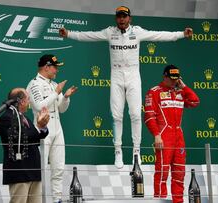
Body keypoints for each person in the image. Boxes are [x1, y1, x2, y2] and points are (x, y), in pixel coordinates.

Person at [59, 6, 193, 168]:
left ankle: (136, 152)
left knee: (136, 114)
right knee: (117, 116)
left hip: (133, 76)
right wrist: (69, 34)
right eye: (119, 16)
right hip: (116, 76)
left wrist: (181, 34)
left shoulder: (137, 32)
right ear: (116, 18)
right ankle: (118, 150)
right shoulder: (110, 32)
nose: (121, 19)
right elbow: (89, 35)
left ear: (130, 18)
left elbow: (160, 35)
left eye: (124, 16)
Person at [144, 65, 199, 203]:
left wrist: (184, 86)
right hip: (164, 136)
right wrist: (156, 135)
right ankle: (160, 201)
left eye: (177, 79)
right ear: (165, 76)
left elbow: (195, 101)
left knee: (179, 174)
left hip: (179, 137)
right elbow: (149, 116)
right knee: (162, 173)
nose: (174, 81)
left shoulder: (180, 92)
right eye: (172, 78)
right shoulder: (154, 92)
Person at [26, 54, 77, 203]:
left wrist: (66, 97)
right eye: (55, 67)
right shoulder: (34, 84)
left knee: (58, 167)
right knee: (41, 167)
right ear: (46, 67)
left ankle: (57, 199)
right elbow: (39, 105)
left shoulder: (55, 85)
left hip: (57, 128)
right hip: (42, 129)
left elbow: (61, 109)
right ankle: (39, 200)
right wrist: (56, 93)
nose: (57, 70)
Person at [0, 88, 50, 203]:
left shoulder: (25, 118)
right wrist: (38, 127)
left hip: (33, 171)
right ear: (21, 101)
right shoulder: (7, 117)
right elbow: (17, 139)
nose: (30, 102)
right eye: (28, 99)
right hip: (19, 172)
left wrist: (43, 126)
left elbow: (36, 138)